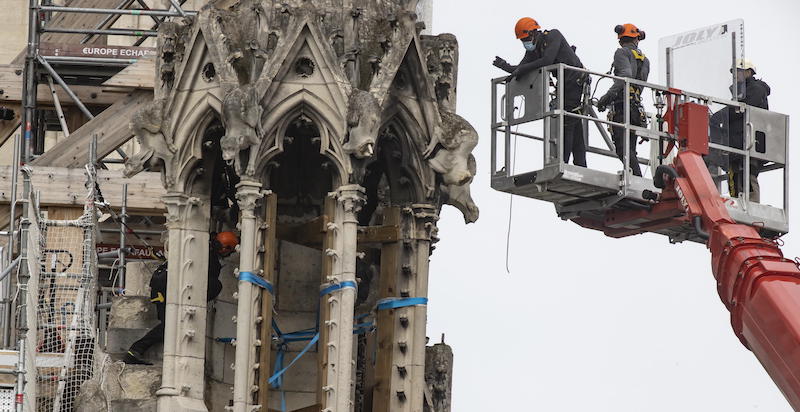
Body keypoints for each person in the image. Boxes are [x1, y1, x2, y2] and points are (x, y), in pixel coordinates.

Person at [123, 231, 239, 365]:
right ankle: (135, 351)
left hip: (164, 284)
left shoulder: (202, 247)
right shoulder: (210, 259)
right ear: (224, 249)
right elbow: (207, 283)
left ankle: (136, 351)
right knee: (170, 325)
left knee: (171, 325)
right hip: (165, 287)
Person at [493, 17, 587, 167]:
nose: (525, 42)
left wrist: (521, 69)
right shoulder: (535, 49)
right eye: (522, 40)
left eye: (526, 38)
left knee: (568, 119)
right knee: (573, 120)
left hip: (574, 80)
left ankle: (563, 163)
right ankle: (580, 164)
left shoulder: (553, 36)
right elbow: (521, 67)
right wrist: (505, 66)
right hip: (563, 84)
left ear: (534, 32)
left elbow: (547, 60)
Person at [597, 23, 650, 177]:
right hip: (636, 108)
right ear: (637, 40)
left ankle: (637, 178)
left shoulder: (621, 53)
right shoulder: (645, 60)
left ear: (621, 40)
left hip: (622, 106)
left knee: (622, 149)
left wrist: (606, 99)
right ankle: (634, 177)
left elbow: (624, 77)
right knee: (630, 149)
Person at [728, 59, 770, 202]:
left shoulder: (756, 89)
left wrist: (724, 114)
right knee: (735, 176)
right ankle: (736, 204)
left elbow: (744, 109)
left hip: (751, 143)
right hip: (738, 143)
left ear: (748, 72)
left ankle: (752, 206)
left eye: (738, 72)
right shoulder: (739, 92)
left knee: (748, 175)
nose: (735, 76)